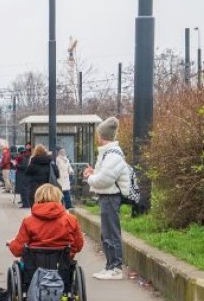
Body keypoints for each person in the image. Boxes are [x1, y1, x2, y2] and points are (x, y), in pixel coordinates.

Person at [84, 118, 135, 280]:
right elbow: (105, 175)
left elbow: (104, 179)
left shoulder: (112, 155)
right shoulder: (109, 153)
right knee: (107, 233)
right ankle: (110, 266)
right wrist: (94, 173)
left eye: (98, 134)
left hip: (110, 197)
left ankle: (116, 268)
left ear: (102, 135)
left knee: (111, 233)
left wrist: (90, 178)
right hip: (107, 196)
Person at [7, 182, 86, 276]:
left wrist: (11, 244)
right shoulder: (71, 220)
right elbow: (78, 245)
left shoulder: (28, 222)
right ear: (58, 198)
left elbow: (17, 250)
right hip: (61, 267)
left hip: (35, 270)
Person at [18, 143, 53, 209]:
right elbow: (57, 174)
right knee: (46, 205)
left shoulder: (33, 162)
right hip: (47, 188)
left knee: (35, 206)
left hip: (35, 188)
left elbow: (27, 172)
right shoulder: (50, 162)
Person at [54, 146, 75, 211]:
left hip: (66, 177)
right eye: (62, 151)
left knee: (67, 192)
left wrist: (71, 171)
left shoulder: (67, 159)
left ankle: (68, 205)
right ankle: (60, 206)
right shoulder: (57, 159)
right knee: (60, 192)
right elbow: (56, 168)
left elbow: (69, 166)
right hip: (60, 178)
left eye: (64, 151)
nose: (63, 153)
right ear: (59, 153)